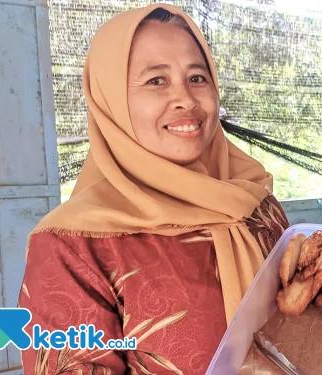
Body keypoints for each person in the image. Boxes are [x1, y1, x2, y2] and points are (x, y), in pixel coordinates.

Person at [17, 4, 289, 374]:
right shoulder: (74, 246)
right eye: (156, 81)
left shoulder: (255, 206)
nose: (186, 100)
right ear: (110, 100)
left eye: (197, 78)